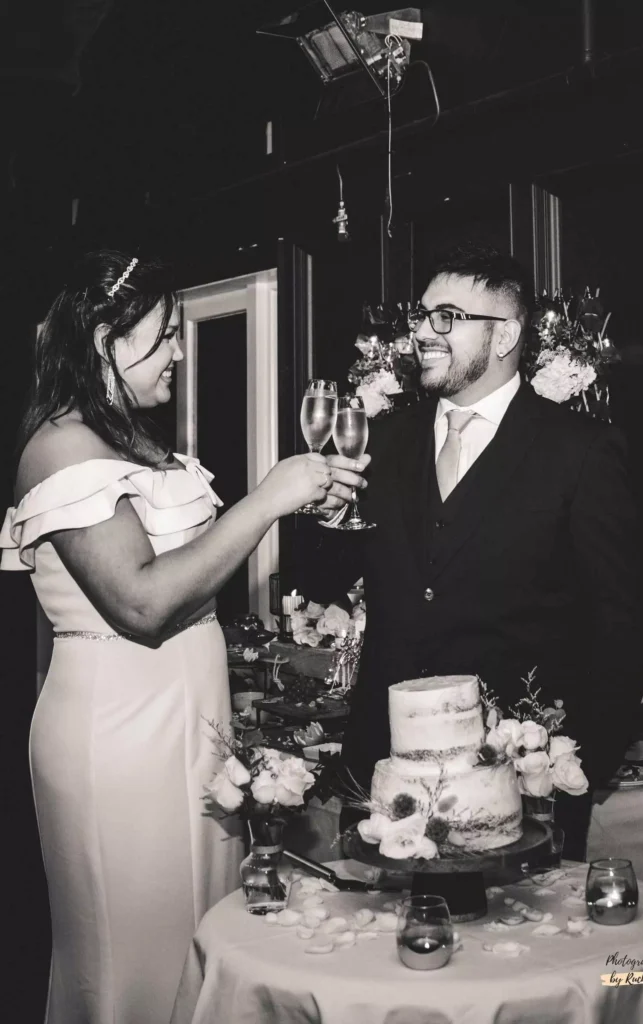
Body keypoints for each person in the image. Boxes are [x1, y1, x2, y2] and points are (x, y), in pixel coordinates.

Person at [0, 250, 366, 1024]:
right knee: (132, 956)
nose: (179, 350)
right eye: (165, 335)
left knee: (205, 936)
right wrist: (266, 499)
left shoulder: (135, 437)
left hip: (190, 719)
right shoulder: (60, 445)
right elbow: (138, 604)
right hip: (119, 732)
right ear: (105, 338)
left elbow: (194, 576)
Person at [303, 243, 643, 859]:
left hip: (518, 784)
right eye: (422, 314)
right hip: (387, 779)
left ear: (506, 333)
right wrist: (326, 518)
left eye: (447, 317)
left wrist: (570, 767)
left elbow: (616, 624)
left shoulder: (580, 450)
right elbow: (349, 583)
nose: (423, 333)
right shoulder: (382, 441)